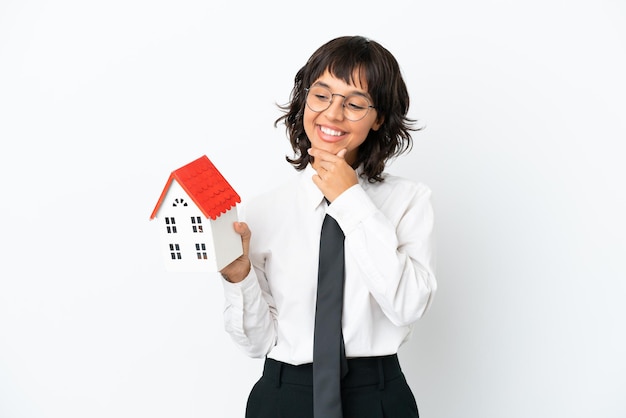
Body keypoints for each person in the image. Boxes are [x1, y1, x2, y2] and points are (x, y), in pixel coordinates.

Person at [219, 35, 437, 418]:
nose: (333, 115)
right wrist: (239, 277)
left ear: (379, 117)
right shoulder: (262, 209)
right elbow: (257, 343)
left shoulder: (410, 201)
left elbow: (407, 306)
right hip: (283, 396)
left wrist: (350, 200)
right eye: (321, 96)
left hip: (377, 398)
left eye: (354, 104)